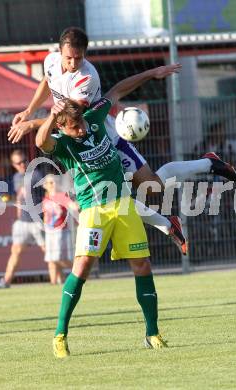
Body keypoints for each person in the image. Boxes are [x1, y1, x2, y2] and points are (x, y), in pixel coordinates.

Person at [8, 27, 236, 250]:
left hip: (103, 138)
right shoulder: (50, 62)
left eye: (78, 58)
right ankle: (169, 223)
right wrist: (29, 111)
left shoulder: (86, 77)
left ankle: (207, 165)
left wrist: (32, 124)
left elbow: (72, 119)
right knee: (113, 197)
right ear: (59, 52)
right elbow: (47, 83)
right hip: (77, 143)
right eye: (69, 58)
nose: (73, 63)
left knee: (150, 187)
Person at [35, 66, 180, 357]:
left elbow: (118, 90)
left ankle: (152, 333)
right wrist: (51, 114)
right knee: (82, 269)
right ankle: (60, 335)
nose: (82, 129)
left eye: (82, 124)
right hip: (94, 212)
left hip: (124, 205)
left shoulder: (93, 119)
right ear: (62, 128)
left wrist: (153, 73)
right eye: (75, 127)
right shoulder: (63, 145)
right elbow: (41, 141)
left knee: (142, 267)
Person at [0, 149, 45, 288]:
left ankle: (66, 278)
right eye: (18, 163)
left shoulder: (36, 174)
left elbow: (49, 191)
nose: (22, 164)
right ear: (13, 165)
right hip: (23, 222)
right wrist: (18, 216)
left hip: (37, 220)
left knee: (50, 253)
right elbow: (20, 199)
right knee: (16, 251)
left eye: (24, 161)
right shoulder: (16, 177)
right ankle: (6, 281)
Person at [42, 174, 78, 284]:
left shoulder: (61, 196)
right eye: (49, 183)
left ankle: (78, 273)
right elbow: (45, 215)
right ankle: (54, 283)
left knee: (57, 258)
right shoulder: (46, 197)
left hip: (60, 230)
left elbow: (73, 206)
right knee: (50, 259)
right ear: (45, 185)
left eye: (53, 182)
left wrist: (75, 203)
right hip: (49, 230)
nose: (52, 185)